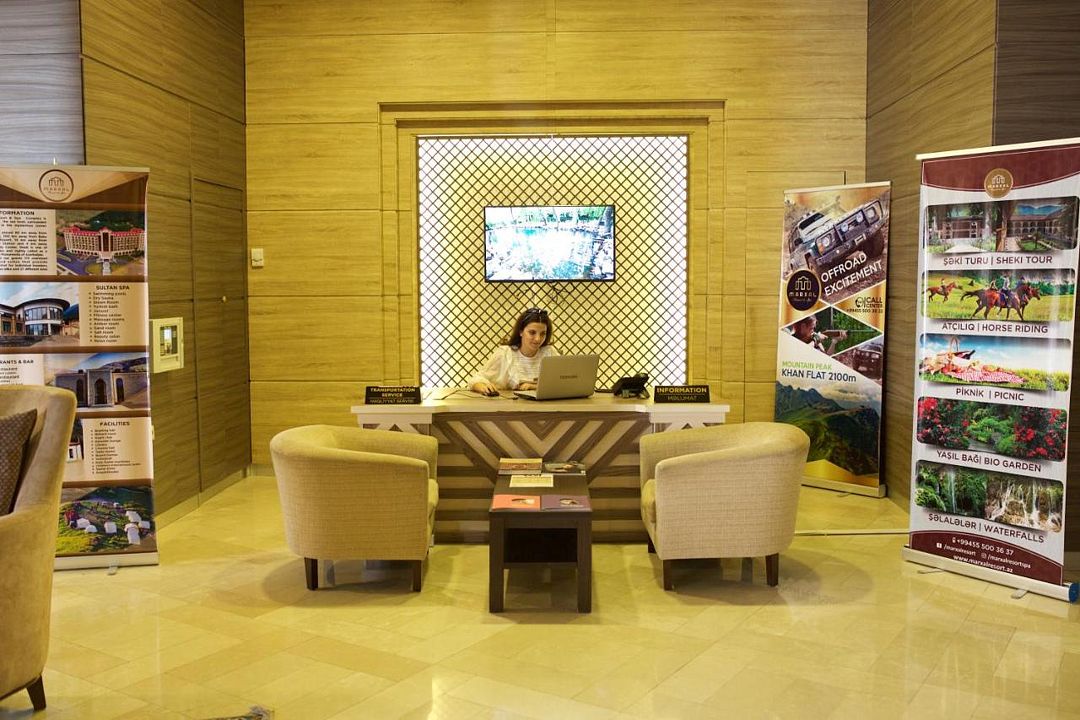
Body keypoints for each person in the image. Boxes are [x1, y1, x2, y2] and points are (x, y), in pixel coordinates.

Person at [469, 308, 559, 395]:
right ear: (520, 332)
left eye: (543, 334)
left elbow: (561, 383)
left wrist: (532, 386)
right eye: (532, 333)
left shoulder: (549, 352)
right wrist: (484, 387)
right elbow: (475, 380)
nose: (537, 339)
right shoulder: (505, 353)